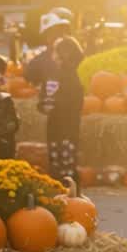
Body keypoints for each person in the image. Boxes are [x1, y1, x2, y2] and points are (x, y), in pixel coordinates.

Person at [37, 36, 84, 183]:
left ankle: (71, 193)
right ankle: (59, 187)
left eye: (56, 53)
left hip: (68, 128)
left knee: (67, 161)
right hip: (54, 127)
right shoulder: (53, 76)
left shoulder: (73, 79)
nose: (53, 56)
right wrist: (43, 104)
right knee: (55, 159)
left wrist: (54, 104)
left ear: (66, 55)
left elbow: (74, 104)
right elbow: (46, 95)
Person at [24, 9, 72, 110]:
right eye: (57, 31)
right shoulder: (40, 61)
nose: (62, 34)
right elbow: (28, 77)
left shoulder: (74, 54)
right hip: (53, 107)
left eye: (63, 31)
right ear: (47, 36)